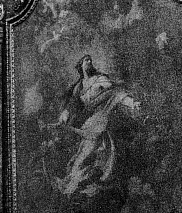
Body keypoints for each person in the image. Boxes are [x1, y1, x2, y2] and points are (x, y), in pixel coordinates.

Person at [55, 54, 140, 196]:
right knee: (81, 156)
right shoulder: (79, 87)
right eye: (85, 60)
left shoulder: (100, 79)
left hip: (101, 119)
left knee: (99, 155)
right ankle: (71, 185)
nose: (89, 62)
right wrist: (65, 114)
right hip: (88, 122)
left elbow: (115, 93)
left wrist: (131, 103)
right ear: (80, 65)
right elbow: (73, 105)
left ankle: (87, 186)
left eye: (90, 60)